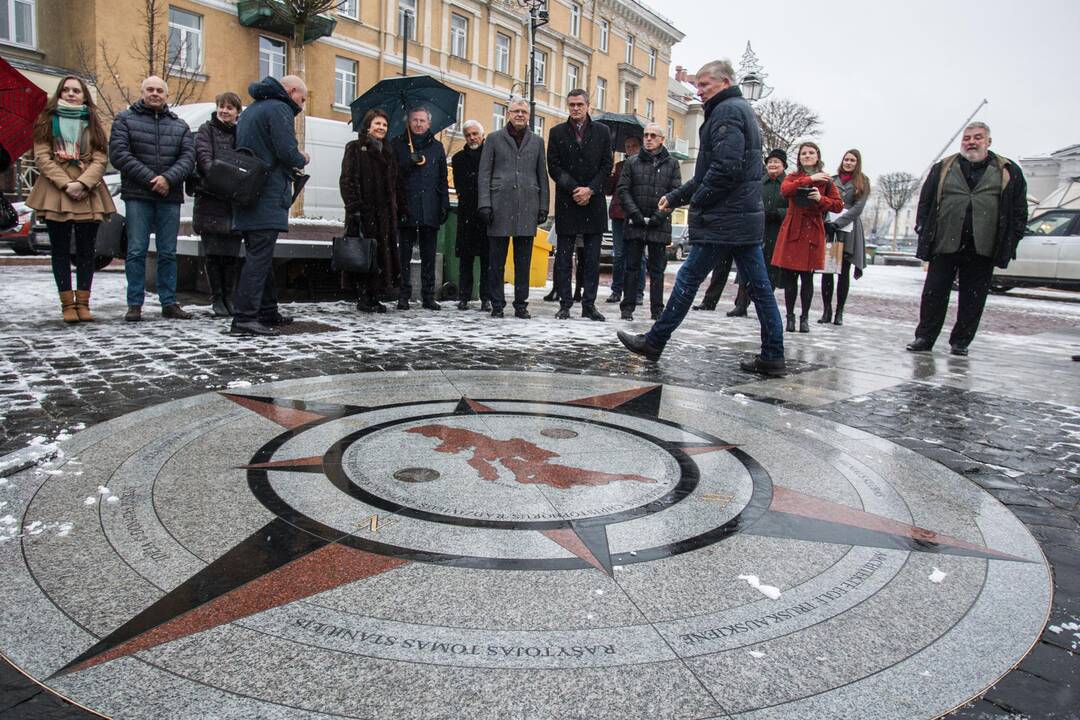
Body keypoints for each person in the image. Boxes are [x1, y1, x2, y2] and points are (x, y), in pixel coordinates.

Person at [617, 60, 786, 377]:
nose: (699, 89)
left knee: (688, 280)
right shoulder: (736, 109)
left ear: (724, 82)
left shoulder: (727, 112)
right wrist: (678, 196)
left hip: (725, 219)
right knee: (760, 288)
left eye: (705, 84)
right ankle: (773, 355)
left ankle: (655, 341)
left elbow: (724, 170)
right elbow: (714, 170)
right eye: (698, 84)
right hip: (741, 218)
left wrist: (699, 203)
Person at [907, 122, 1027, 356]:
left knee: (974, 296)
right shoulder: (944, 167)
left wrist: (1012, 239)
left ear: (988, 141)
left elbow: (1019, 210)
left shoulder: (1007, 170)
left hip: (983, 244)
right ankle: (925, 336)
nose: (971, 142)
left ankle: (961, 341)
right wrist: (923, 228)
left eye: (978, 137)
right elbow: (926, 201)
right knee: (934, 292)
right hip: (945, 241)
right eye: (967, 137)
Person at [26, 75, 115, 323]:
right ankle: (67, 304)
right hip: (57, 191)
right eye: (66, 90)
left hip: (88, 191)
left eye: (76, 90)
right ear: (60, 93)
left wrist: (83, 183)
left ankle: (83, 303)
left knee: (87, 251)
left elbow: (100, 157)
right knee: (61, 250)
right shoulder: (46, 121)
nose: (71, 94)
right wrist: (66, 184)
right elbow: (42, 157)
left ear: (84, 95)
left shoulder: (92, 122)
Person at [109, 75, 195, 321]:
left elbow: (188, 158)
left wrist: (168, 179)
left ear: (166, 95)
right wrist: (152, 180)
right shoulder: (125, 120)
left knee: (168, 251)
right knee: (136, 250)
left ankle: (169, 302)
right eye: (150, 89)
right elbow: (119, 154)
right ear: (142, 92)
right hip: (138, 195)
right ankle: (134, 304)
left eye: (159, 90)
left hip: (169, 196)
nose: (155, 93)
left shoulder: (179, 125)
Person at [230, 75, 310, 335]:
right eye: (302, 97)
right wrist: (302, 157)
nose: (302, 104)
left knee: (260, 254)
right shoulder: (279, 108)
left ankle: (266, 310)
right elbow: (287, 151)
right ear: (291, 90)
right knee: (258, 258)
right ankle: (244, 317)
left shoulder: (253, 109)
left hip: (248, 191)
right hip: (266, 193)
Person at [477, 97, 549, 319]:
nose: (520, 115)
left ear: (529, 116)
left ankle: (521, 304)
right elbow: (484, 174)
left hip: (527, 206)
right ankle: (497, 303)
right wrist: (485, 204)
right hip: (498, 206)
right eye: (516, 111)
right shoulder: (493, 139)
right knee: (496, 261)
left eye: (524, 112)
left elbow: (542, 175)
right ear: (508, 113)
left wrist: (543, 205)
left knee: (523, 262)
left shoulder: (537, 142)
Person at [547, 88, 612, 321]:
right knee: (564, 259)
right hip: (568, 201)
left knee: (592, 259)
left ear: (588, 106)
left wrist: (590, 189)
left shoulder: (603, 132)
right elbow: (554, 167)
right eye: (572, 104)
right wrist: (575, 188)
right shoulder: (556, 132)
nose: (575, 108)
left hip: (593, 203)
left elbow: (607, 166)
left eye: (579, 105)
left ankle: (589, 305)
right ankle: (565, 304)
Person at [770, 141, 843, 333]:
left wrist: (821, 199)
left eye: (811, 153)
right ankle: (790, 317)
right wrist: (809, 180)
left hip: (812, 229)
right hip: (793, 229)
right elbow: (785, 190)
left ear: (817, 156)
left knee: (807, 278)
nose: (807, 156)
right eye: (803, 153)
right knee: (789, 278)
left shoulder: (827, 180)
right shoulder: (793, 176)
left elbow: (838, 205)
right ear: (799, 157)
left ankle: (804, 318)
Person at [615, 122, 681, 321]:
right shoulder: (632, 162)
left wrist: (658, 216)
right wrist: (635, 214)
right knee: (631, 267)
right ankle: (627, 308)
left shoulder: (672, 164)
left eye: (653, 135)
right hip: (635, 222)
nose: (649, 138)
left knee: (657, 271)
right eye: (646, 135)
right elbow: (623, 190)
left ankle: (657, 310)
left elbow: (675, 194)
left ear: (662, 139)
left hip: (658, 225)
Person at [339, 108, 401, 313]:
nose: (381, 128)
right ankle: (364, 295)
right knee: (365, 253)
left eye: (384, 124)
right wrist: (354, 206)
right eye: (377, 124)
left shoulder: (388, 151)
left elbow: (394, 184)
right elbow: (348, 179)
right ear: (368, 126)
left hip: (384, 212)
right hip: (365, 211)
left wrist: (397, 207)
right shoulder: (356, 148)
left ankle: (375, 294)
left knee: (381, 255)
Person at [191, 92, 244, 318]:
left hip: (233, 203)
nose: (224, 111)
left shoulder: (241, 134)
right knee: (213, 254)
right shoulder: (206, 130)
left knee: (230, 255)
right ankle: (217, 298)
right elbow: (205, 160)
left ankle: (229, 298)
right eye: (221, 106)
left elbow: (246, 160)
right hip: (211, 199)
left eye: (230, 108)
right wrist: (227, 178)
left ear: (237, 112)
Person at [393, 106, 449, 310]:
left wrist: (443, 203)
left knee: (428, 255)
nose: (418, 124)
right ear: (409, 122)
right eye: (415, 120)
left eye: (422, 120)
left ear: (429, 124)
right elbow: (394, 176)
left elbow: (443, 179)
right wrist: (409, 162)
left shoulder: (437, 147)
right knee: (404, 255)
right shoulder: (398, 144)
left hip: (430, 208)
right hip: (406, 207)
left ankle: (428, 295)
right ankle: (403, 295)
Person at [819, 149, 869, 326]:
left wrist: (838, 222)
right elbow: (824, 201)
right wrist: (827, 221)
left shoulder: (863, 182)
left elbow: (858, 208)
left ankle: (839, 311)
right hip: (830, 228)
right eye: (846, 159)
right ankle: (826, 310)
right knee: (827, 270)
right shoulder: (831, 180)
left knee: (844, 272)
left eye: (852, 160)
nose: (848, 163)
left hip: (849, 229)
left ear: (857, 163)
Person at [450, 120, 490, 311]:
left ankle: (486, 298)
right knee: (466, 259)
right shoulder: (458, 159)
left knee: (487, 259)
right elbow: (459, 187)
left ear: (482, 135)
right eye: (468, 134)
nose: (472, 137)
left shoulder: (491, 156)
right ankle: (464, 296)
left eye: (475, 133)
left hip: (487, 214)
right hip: (466, 213)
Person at [605, 135, 645, 305]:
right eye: (627, 146)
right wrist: (610, 174)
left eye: (634, 146)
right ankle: (617, 290)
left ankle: (638, 292)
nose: (630, 149)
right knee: (619, 254)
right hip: (619, 215)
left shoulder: (645, 166)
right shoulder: (619, 166)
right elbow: (608, 190)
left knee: (638, 256)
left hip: (636, 215)